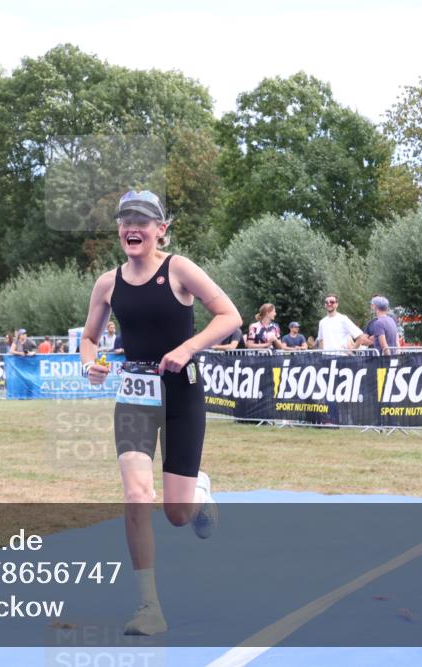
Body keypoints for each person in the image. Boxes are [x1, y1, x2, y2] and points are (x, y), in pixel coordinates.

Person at [80, 190, 241, 636]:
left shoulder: (180, 269)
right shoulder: (107, 283)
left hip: (180, 393)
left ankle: (199, 492)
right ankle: (149, 606)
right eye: (126, 220)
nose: (134, 227)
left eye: (144, 221)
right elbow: (90, 338)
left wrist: (187, 349)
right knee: (136, 495)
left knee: (176, 513)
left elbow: (229, 315)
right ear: (119, 229)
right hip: (134, 394)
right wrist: (89, 363)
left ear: (160, 230)